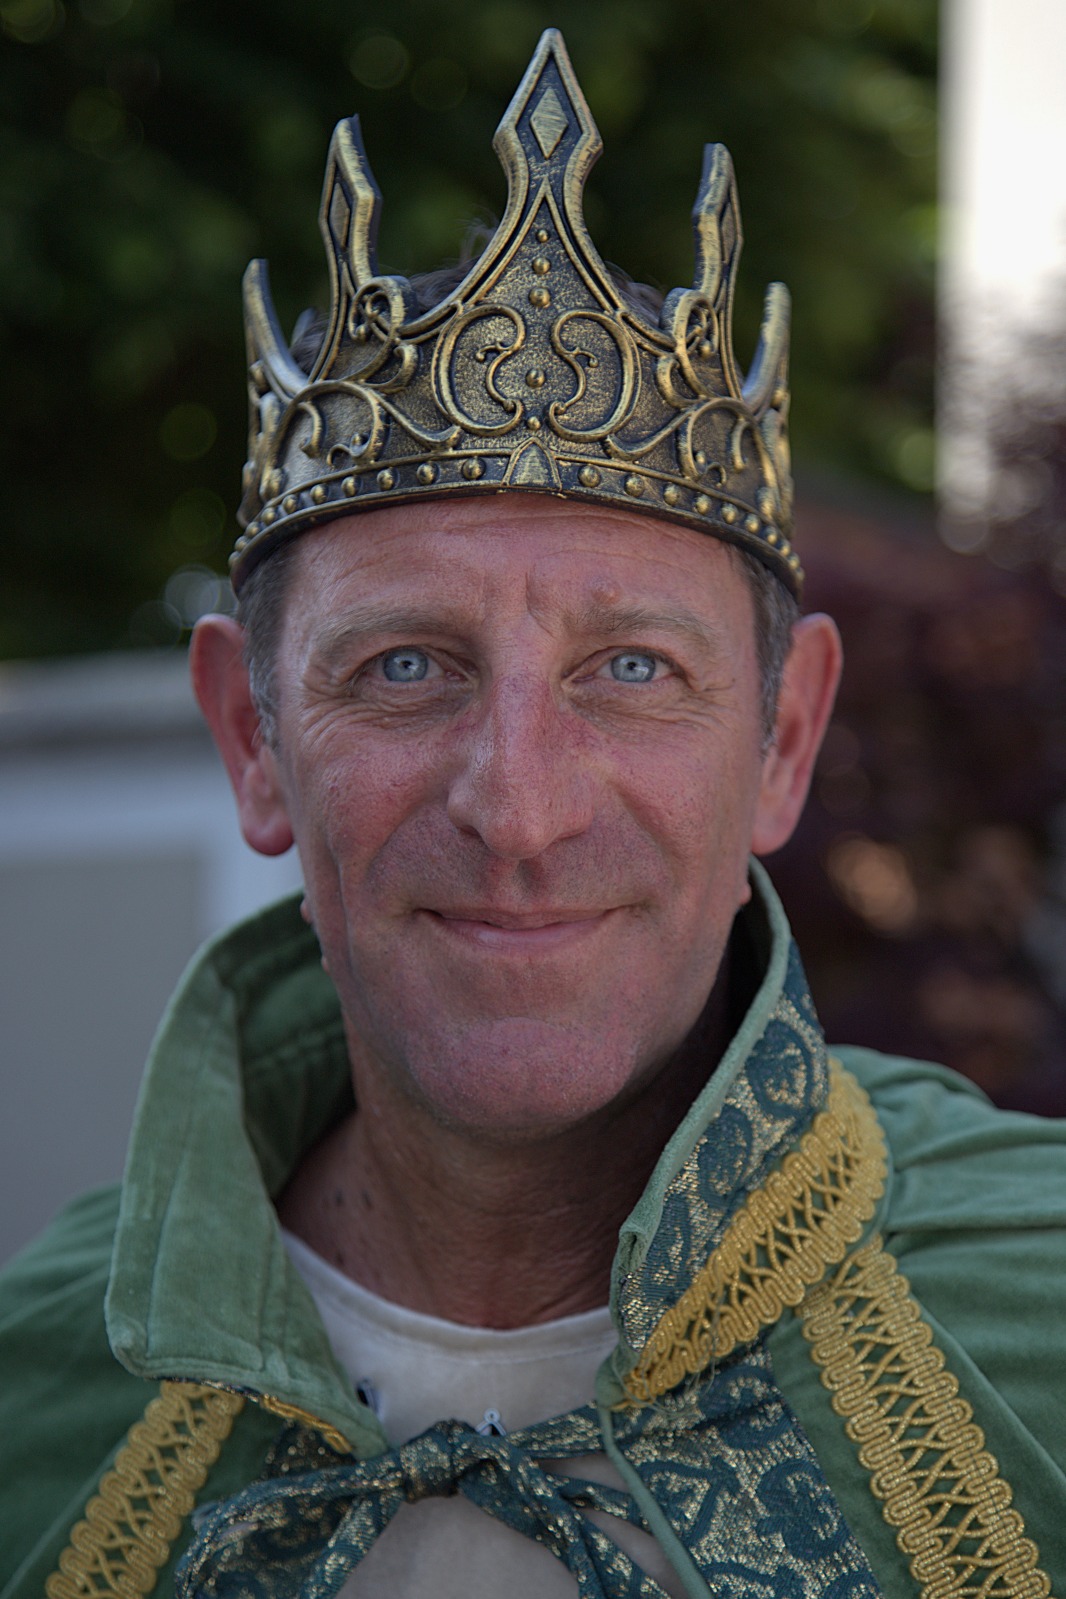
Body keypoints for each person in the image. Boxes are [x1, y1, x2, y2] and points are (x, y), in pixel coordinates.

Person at [3, 28, 1065, 1599]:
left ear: (780, 740)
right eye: (408, 665)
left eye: (630, 667)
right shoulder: (39, 1404)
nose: (518, 808)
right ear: (253, 737)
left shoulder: (1037, 1326)